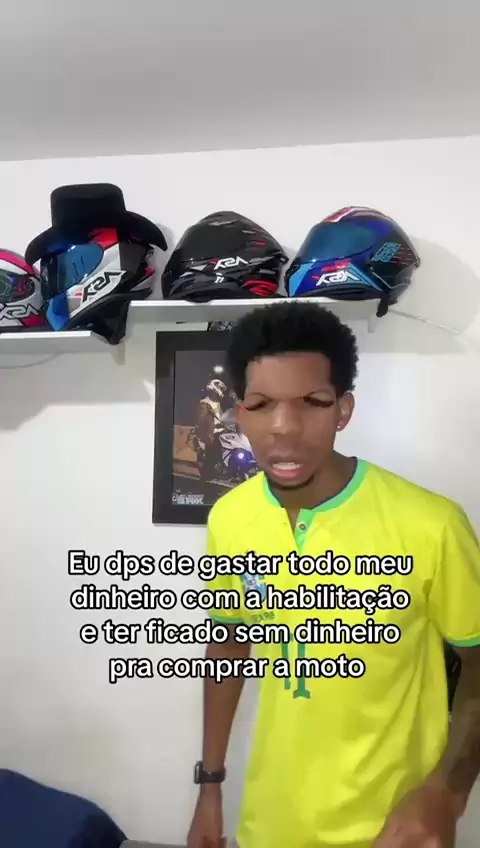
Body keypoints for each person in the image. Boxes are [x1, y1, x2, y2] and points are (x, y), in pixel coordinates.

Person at [187, 301, 480, 848]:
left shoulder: (433, 525)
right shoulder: (230, 518)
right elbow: (228, 644)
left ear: (343, 410)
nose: (285, 428)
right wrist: (210, 785)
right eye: (262, 405)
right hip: (268, 827)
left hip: (393, 833)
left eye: (313, 403)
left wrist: (446, 792)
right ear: (240, 413)